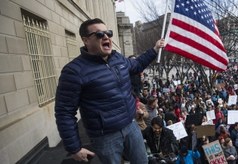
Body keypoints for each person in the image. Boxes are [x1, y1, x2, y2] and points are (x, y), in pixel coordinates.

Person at [54, 18, 165, 164]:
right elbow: (64, 112)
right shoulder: (73, 71)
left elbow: (137, 65)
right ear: (86, 40)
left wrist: (155, 50)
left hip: (131, 126)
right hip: (105, 137)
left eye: (109, 33)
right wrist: (74, 148)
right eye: (99, 34)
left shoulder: (117, 58)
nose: (106, 37)